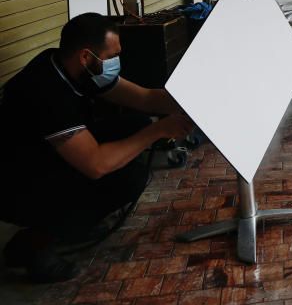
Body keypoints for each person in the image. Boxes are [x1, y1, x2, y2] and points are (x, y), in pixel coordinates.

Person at [0, 14, 193, 282]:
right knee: (128, 179)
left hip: (45, 153)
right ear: (85, 56)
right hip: (15, 183)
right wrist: (159, 130)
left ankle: (67, 226)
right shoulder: (46, 92)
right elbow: (96, 165)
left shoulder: (72, 66)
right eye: (112, 55)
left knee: (135, 123)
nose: (116, 62)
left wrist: (196, 101)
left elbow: (146, 99)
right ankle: (34, 245)